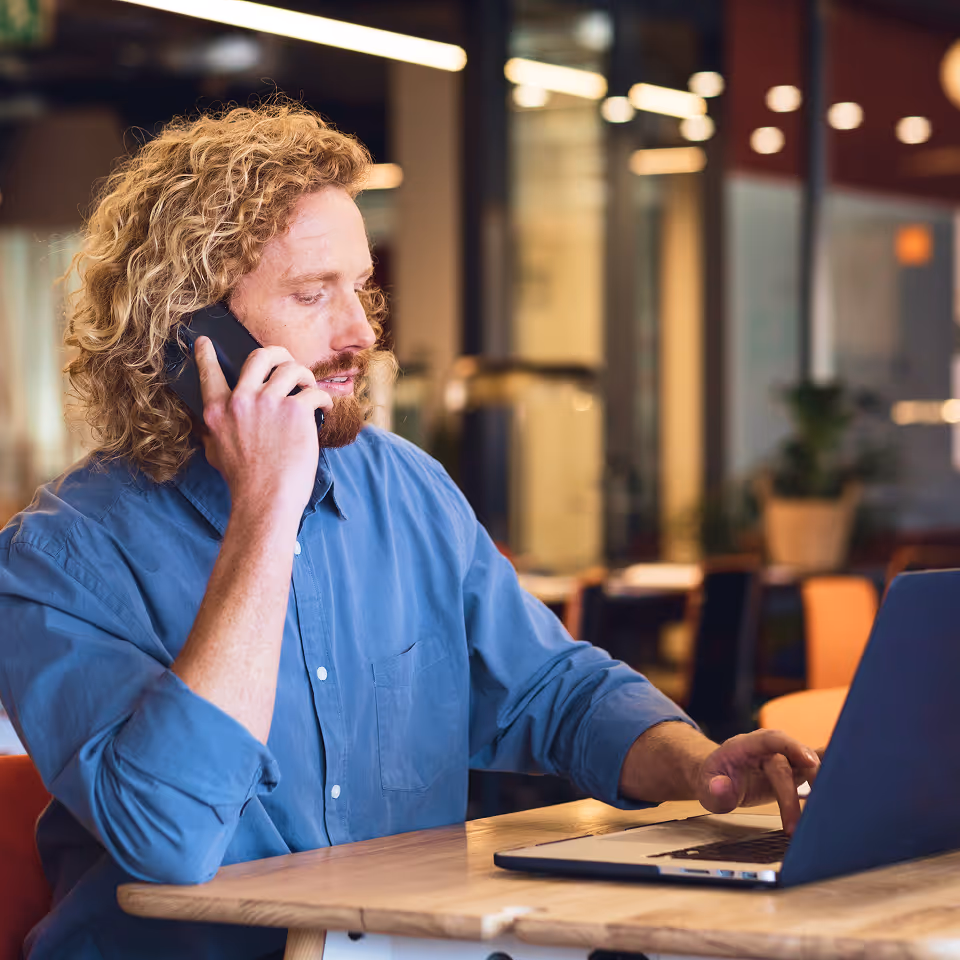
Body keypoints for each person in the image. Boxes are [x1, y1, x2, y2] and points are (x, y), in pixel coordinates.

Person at [0, 103, 819, 960]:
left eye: (360, 287)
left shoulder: (406, 487)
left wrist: (697, 765)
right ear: (191, 336)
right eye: (314, 295)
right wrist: (265, 511)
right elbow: (168, 835)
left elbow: (552, 689)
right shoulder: (59, 559)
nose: (361, 332)